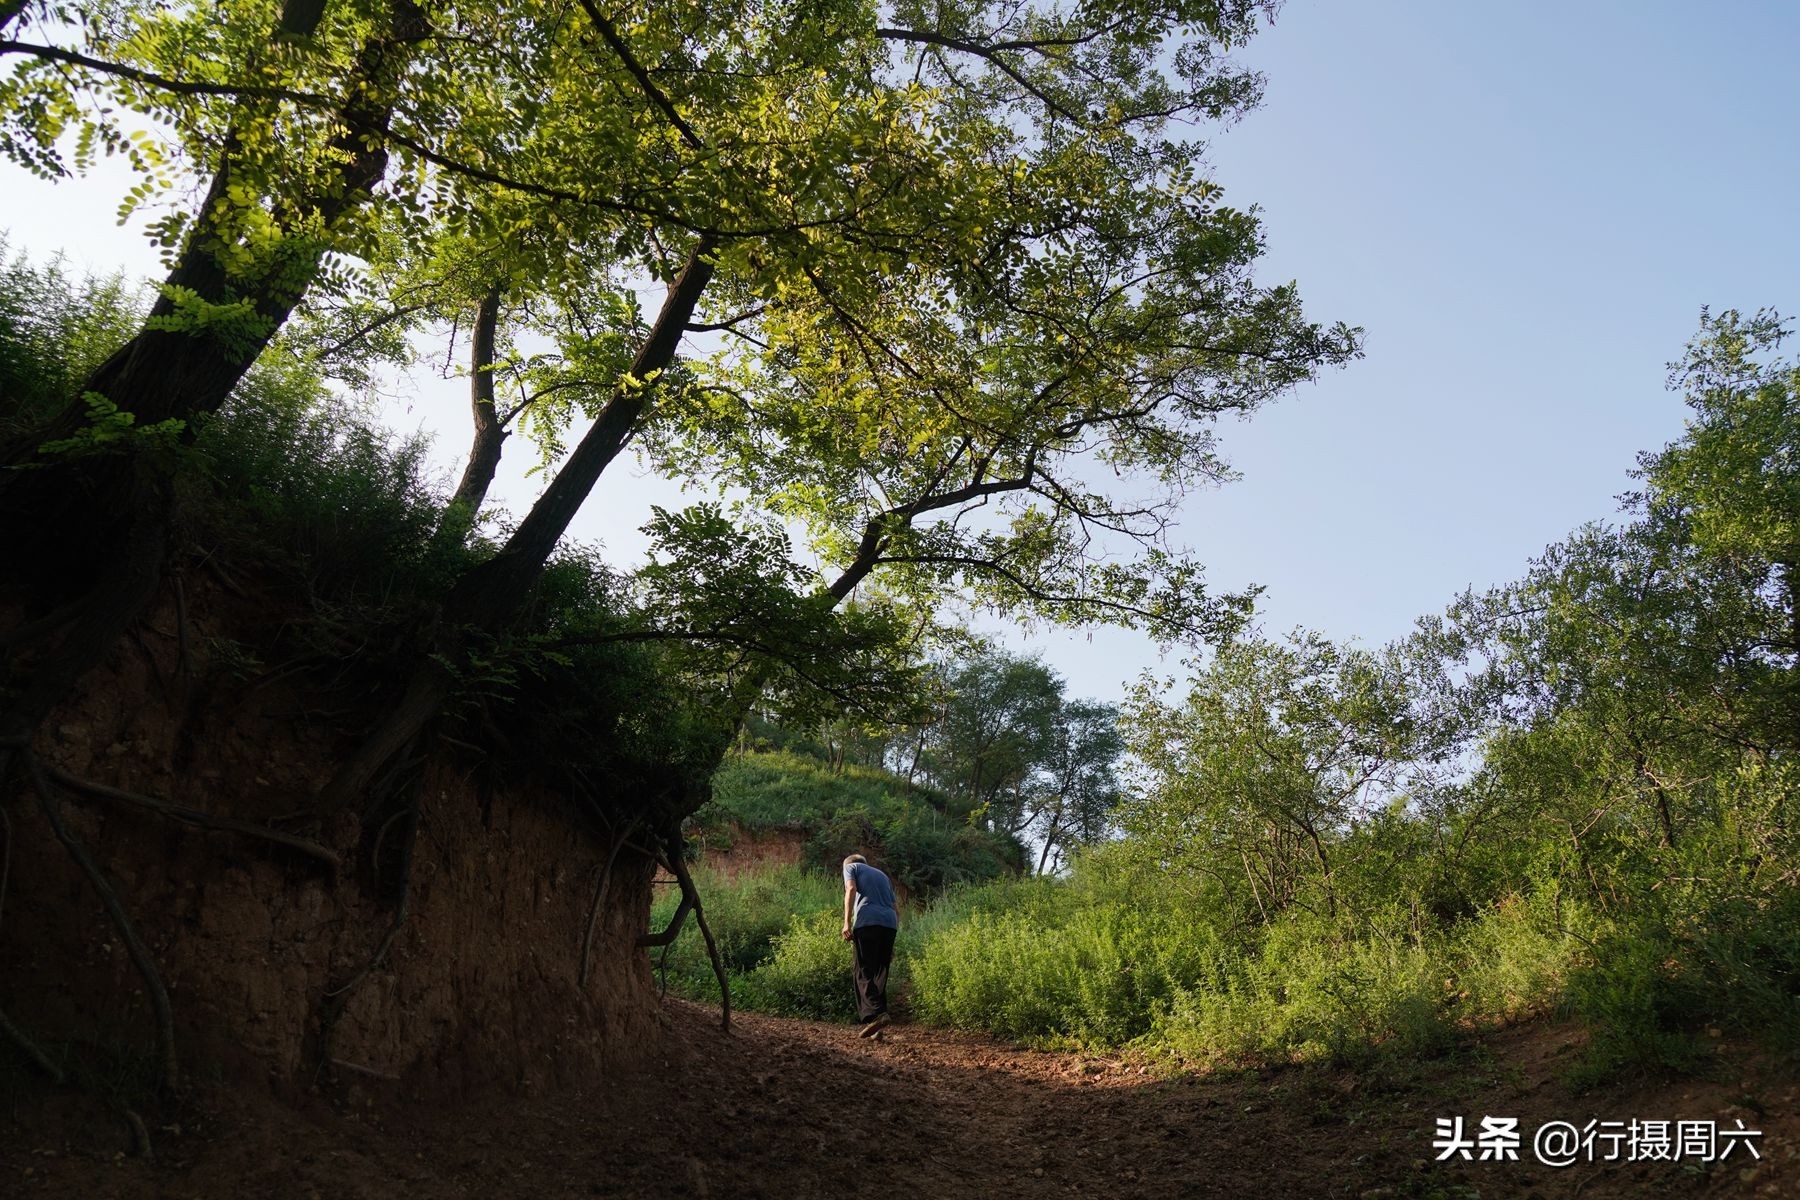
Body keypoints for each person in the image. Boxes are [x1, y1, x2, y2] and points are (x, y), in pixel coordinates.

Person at [841, 853, 899, 1036]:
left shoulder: (851, 867)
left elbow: (851, 889)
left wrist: (846, 922)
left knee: (863, 970)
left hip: (868, 922)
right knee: (880, 971)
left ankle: (877, 1013)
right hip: (890, 924)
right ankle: (878, 1026)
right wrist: (891, 942)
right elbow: (896, 909)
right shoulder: (882, 876)